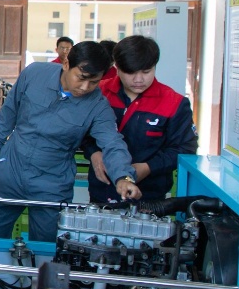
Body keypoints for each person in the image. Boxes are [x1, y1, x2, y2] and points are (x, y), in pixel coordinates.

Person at [0, 41, 140, 243]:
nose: (85, 87)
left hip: (52, 182)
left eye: (94, 82)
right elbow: (9, 110)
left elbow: (112, 142)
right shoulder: (34, 74)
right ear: (66, 64)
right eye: (81, 78)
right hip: (11, 169)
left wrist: (123, 176)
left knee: (46, 242)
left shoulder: (98, 106)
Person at [82, 35, 198, 204]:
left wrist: (147, 168)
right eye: (130, 72)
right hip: (102, 190)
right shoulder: (99, 93)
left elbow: (185, 148)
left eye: (146, 72)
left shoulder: (174, 103)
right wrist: (93, 152)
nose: (138, 79)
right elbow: (80, 130)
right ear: (116, 67)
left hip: (149, 196)